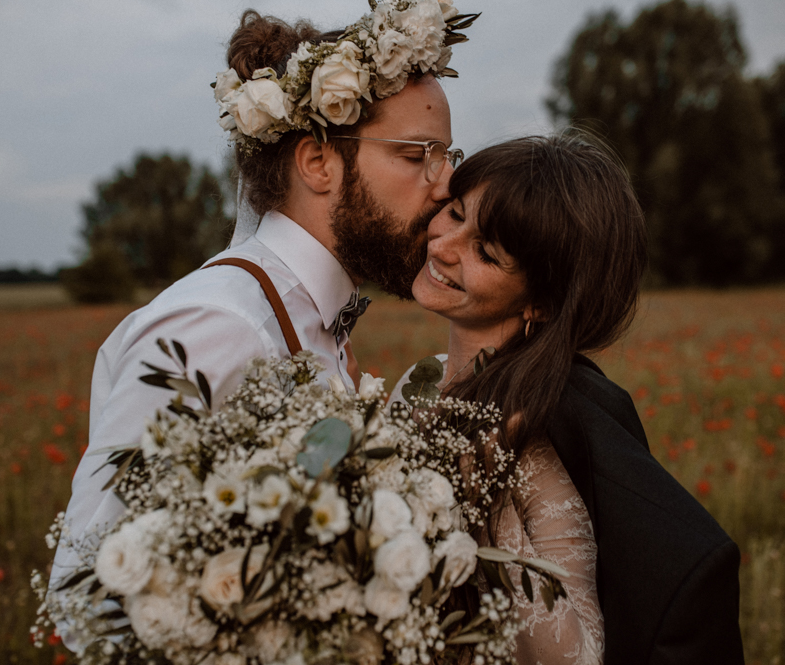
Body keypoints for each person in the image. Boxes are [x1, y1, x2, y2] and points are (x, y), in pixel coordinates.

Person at [51, 1, 475, 649]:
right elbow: (87, 591)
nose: (444, 185)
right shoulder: (217, 324)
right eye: (419, 154)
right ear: (318, 162)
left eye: (448, 155)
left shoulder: (318, 318)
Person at [391, 133, 744, 664]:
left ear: (545, 302)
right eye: (455, 213)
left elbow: (578, 657)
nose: (442, 246)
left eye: (485, 252)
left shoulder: (530, 445)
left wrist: (485, 493)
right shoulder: (420, 378)